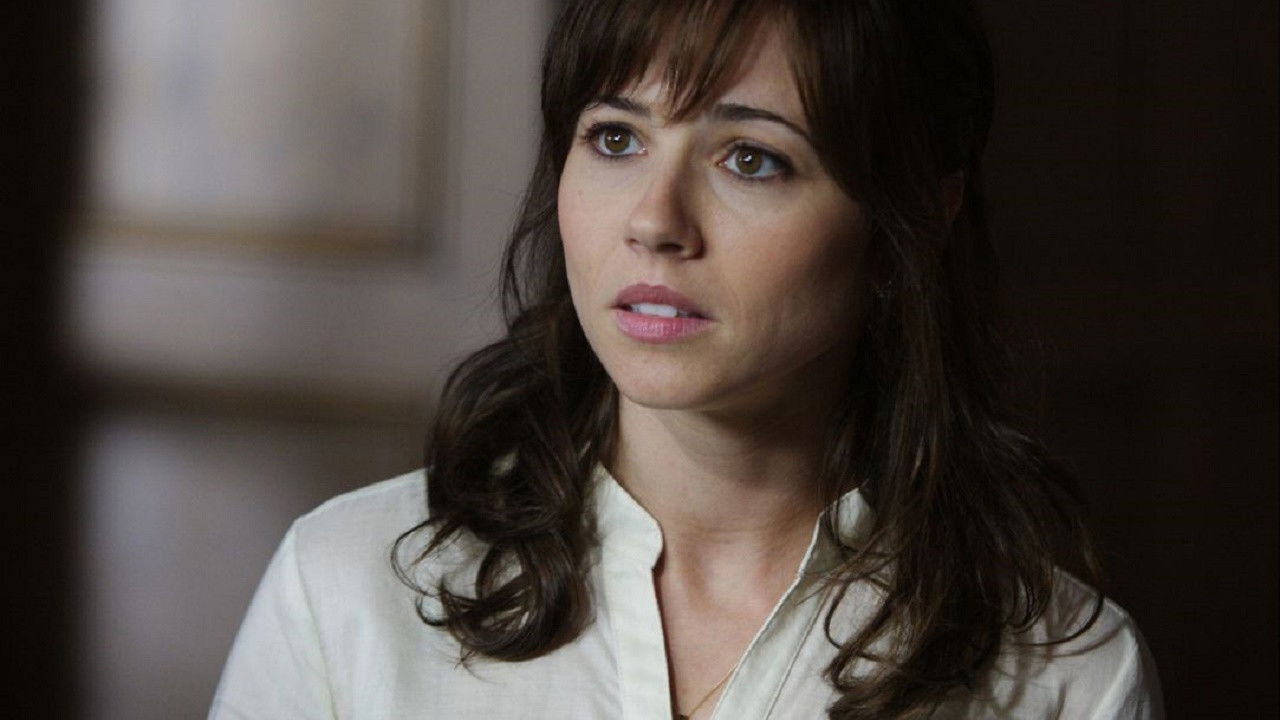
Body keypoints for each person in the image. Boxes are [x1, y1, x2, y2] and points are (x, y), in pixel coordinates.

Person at [210, 0, 1163, 718]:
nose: (654, 221)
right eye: (615, 138)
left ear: (912, 214)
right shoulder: (353, 588)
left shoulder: (1062, 676)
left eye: (750, 158)